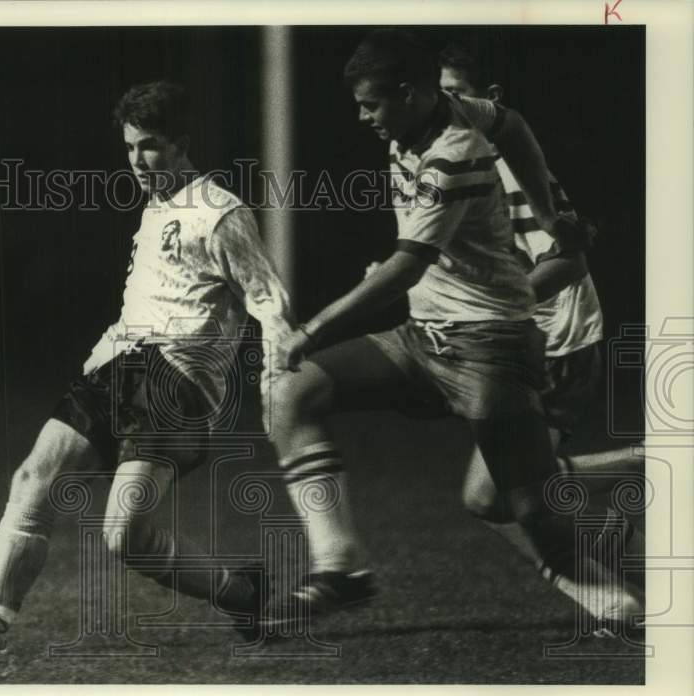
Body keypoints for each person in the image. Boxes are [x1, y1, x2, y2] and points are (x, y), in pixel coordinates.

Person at [261, 29, 643, 630]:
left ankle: (627, 588)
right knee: (292, 391)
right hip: (425, 338)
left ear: (410, 95)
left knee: (518, 508)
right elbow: (513, 124)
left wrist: (310, 329)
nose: (361, 117)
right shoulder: (455, 111)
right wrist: (549, 214)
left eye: (371, 103)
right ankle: (340, 566)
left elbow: (409, 262)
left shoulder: (456, 154)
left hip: (493, 348)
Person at [0, 81, 295, 657]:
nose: (137, 160)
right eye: (129, 148)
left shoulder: (220, 212)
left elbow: (267, 297)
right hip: (117, 364)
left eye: (149, 146)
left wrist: (280, 364)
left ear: (182, 143)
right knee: (32, 478)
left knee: (126, 535)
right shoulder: (156, 206)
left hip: (175, 379)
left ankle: (239, 591)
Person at [437, 43, 645, 581]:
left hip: (557, 346)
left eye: (456, 95)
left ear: (491, 99)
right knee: (493, 496)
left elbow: (568, 264)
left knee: (491, 496)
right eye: (440, 99)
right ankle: (626, 510)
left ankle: (641, 480)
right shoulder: (468, 165)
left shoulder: (508, 171)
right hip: (524, 347)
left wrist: (495, 306)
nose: (448, 110)